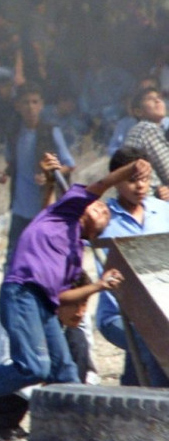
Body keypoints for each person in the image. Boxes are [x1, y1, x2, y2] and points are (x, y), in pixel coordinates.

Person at [0, 152, 150, 405]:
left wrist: (98, 286)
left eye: (104, 214)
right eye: (98, 206)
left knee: (65, 372)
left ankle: (71, 428)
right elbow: (101, 185)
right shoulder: (65, 213)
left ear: (93, 233)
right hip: (22, 293)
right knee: (34, 367)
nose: (102, 207)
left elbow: (63, 296)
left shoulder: (73, 257)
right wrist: (131, 169)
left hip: (45, 306)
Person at [0, 272, 102, 441]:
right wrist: (47, 401)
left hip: (35, 371)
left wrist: (83, 400)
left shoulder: (79, 318)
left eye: (84, 303)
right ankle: (1, 422)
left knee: (76, 342)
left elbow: (87, 363)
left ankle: (63, 422)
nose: (80, 312)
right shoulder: (18, 312)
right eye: (73, 303)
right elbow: (10, 365)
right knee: (33, 368)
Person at [95, 146, 169, 387]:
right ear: (116, 181)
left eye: (145, 180)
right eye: (131, 180)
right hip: (119, 314)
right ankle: (160, 410)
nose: (140, 187)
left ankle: (128, 401)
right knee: (153, 339)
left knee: (154, 340)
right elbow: (61, 221)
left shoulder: (163, 211)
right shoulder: (103, 216)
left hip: (162, 310)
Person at [0, 83, 75, 271]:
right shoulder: (14, 133)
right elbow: (13, 162)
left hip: (45, 206)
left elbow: (69, 165)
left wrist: (50, 175)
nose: (30, 107)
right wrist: (4, 174)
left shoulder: (50, 131)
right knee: (13, 259)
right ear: (18, 106)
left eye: (34, 102)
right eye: (25, 103)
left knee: (49, 258)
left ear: (41, 105)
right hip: (20, 207)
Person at [124, 86, 169, 198]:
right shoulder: (146, 128)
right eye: (150, 98)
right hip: (151, 200)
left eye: (159, 97)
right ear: (138, 112)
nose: (157, 100)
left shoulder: (139, 130)